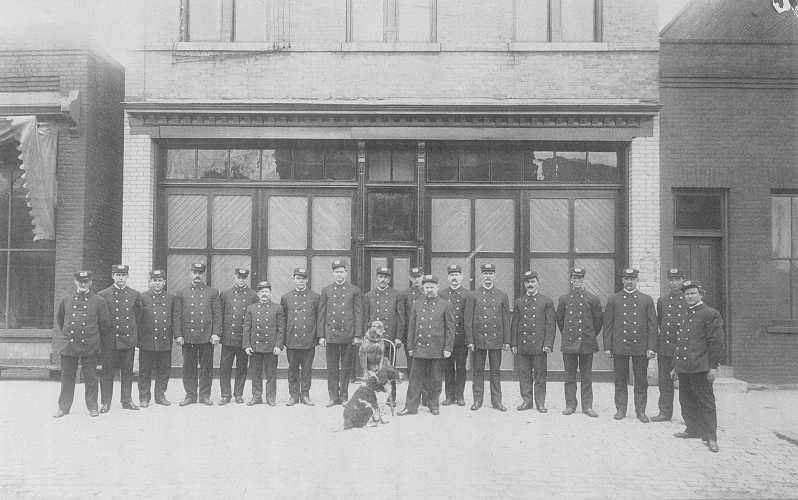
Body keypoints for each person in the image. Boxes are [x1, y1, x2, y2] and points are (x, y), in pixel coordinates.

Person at [672, 280, 723, 453]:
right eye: (687, 294)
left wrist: (713, 367)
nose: (690, 296)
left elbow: (715, 343)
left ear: (701, 294)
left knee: (705, 401)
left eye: (693, 293)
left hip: (701, 366)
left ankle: (711, 437)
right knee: (686, 399)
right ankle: (692, 429)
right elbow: (680, 342)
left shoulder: (710, 314)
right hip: (685, 366)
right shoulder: (685, 313)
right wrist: (675, 365)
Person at [603, 268, 657, 422]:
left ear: (636, 280)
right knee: (620, 379)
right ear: (622, 280)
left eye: (632, 279)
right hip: (620, 346)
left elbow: (653, 325)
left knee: (641, 380)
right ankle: (621, 409)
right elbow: (608, 325)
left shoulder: (646, 299)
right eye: (626, 278)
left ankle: (641, 411)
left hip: (640, 346)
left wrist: (651, 347)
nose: (629, 281)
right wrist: (608, 347)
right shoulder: (614, 299)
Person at [53, 271, 109, 418]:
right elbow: (61, 320)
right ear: (75, 282)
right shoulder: (66, 300)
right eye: (80, 281)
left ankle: (92, 406)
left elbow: (104, 325)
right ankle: (63, 407)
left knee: (91, 377)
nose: (83, 284)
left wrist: (96, 342)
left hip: (89, 345)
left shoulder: (99, 301)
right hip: (69, 345)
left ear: (91, 282)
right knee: (67, 377)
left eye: (86, 281)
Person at [398, 275, 454, 416]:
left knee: (435, 379)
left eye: (432, 287)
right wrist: (410, 346)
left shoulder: (445, 304)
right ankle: (410, 406)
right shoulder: (417, 304)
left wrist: (448, 348)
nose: (429, 290)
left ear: (437, 287)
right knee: (414, 379)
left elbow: (450, 329)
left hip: (437, 348)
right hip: (419, 349)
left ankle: (433, 404)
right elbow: (412, 327)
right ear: (423, 288)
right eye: (427, 287)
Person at [556, 267, 603, 417]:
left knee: (586, 376)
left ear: (584, 279)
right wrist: (569, 334)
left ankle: (587, 406)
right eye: (574, 278)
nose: (577, 281)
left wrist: (589, 335)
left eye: (580, 278)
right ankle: (570, 404)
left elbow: (598, 322)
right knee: (569, 376)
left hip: (586, 343)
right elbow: (560, 321)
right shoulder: (564, 299)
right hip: (569, 343)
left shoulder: (593, 299)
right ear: (570, 280)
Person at [465, 263, 511, 412]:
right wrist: (470, 340)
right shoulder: (473, 295)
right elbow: (468, 320)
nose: (488, 277)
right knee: (477, 370)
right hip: (478, 340)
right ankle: (477, 400)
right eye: (485, 273)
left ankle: (497, 401)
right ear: (481, 276)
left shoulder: (502, 295)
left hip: (496, 340)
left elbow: (506, 320)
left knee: (495, 371)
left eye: (491, 274)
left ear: (495, 276)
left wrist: (506, 341)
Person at [317, 259, 363, 407]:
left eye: (342, 271)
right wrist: (321, 336)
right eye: (336, 272)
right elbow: (322, 314)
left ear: (346, 273)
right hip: (331, 335)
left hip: (348, 335)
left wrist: (357, 335)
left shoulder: (354, 290)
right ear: (333, 273)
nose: (339, 274)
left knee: (346, 368)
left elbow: (358, 313)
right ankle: (333, 396)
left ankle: (344, 396)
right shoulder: (326, 290)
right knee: (332, 368)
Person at [98, 264, 142, 413]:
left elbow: (138, 316)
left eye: (123, 275)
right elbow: (101, 320)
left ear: (127, 276)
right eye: (118, 275)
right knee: (107, 372)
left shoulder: (135, 295)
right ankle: (105, 402)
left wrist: (133, 335)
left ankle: (127, 400)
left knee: (127, 372)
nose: (121, 278)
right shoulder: (103, 295)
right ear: (113, 276)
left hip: (128, 341)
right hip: (110, 342)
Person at [175, 263, 221, 406]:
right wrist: (178, 335)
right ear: (190, 273)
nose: (197, 275)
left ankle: (204, 395)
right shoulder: (182, 292)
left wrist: (215, 333)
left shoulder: (212, 292)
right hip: (188, 336)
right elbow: (177, 315)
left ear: (204, 274)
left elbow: (217, 315)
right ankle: (190, 395)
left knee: (206, 368)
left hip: (206, 336)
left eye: (200, 272)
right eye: (195, 272)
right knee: (188, 367)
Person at [511, 270, 555, 412]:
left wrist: (548, 344)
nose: (530, 285)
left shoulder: (546, 301)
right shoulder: (519, 302)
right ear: (524, 284)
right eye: (527, 282)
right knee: (524, 374)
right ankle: (527, 401)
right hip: (523, 346)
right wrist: (514, 343)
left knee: (540, 376)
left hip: (539, 346)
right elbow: (515, 324)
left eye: (532, 282)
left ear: (538, 283)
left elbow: (550, 325)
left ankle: (540, 403)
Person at [137, 269, 179, 407]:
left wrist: (177, 336)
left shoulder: (170, 298)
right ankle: (144, 397)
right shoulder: (142, 298)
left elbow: (175, 319)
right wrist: (138, 339)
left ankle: (160, 395)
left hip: (164, 340)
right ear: (150, 282)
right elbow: (137, 319)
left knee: (164, 370)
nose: (157, 283)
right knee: (144, 370)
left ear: (164, 282)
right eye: (154, 280)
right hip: (146, 341)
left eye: (160, 280)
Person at [281, 266, 320, 406]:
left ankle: (305, 395)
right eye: (298, 278)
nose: (300, 281)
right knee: (292, 370)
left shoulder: (315, 297)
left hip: (308, 340)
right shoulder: (286, 297)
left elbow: (318, 318)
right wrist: (283, 339)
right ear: (293, 279)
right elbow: (283, 320)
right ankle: (293, 395)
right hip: (292, 340)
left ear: (307, 280)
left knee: (307, 369)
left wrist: (318, 337)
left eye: (303, 279)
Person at [219, 268, 258, 405]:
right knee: (225, 368)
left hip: (243, 338)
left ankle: (238, 394)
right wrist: (219, 334)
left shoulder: (253, 295)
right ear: (234, 277)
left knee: (242, 367)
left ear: (246, 278)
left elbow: (254, 317)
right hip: (228, 337)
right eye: (239, 277)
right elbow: (220, 315)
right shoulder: (225, 294)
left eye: (243, 277)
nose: (241, 280)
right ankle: (225, 394)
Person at [243, 281, 284, 406]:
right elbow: (246, 328)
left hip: (271, 347)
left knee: (271, 374)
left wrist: (278, 345)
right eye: (261, 292)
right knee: (255, 373)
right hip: (255, 347)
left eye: (266, 291)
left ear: (270, 293)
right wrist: (246, 345)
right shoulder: (251, 308)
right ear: (258, 293)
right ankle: (256, 396)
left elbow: (281, 329)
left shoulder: (278, 308)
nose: (264, 294)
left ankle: (271, 397)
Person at [652, 268, 686, 422]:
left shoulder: (688, 299)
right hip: (665, 348)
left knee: (686, 384)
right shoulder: (663, 301)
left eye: (677, 279)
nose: (674, 283)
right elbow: (660, 323)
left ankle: (689, 415)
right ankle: (665, 412)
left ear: (683, 280)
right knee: (665, 383)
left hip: (683, 348)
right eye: (671, 280)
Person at [363, 266, 404, 381]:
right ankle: (373, 394)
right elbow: (365, 318)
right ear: (376, 278)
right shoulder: (368, 295)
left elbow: (401, 318)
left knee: (389, 368)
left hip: (389, 338)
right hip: (373, 340)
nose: (383, 280)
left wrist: (398, 337)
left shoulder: (396, 295)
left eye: (386, 277)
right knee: (373, 368)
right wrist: (365, 337)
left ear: (389, 280)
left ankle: (391, 397)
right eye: (380, 277)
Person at [438, 264, 470, 407]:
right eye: (452, 275)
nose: (454, 278)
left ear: (461, 277)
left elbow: (469, 319)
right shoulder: (442, 294)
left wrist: (469, 339)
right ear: (448, 278)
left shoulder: (467, 294)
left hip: (462, 338)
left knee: (461, 367)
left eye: (457, 275)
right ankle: (449, 396)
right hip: (447, 339)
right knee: (448, 368)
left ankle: (460, 395)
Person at [400, 267, 424, 376]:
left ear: (422, 276)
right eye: (414, 277)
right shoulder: (405, 294)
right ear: (410, 278)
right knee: (411, 363)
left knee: (424, 363)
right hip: (410, 334)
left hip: (425, 334)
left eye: (418, 277)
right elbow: (402, 316)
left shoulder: (427, 292)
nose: (416, 280)